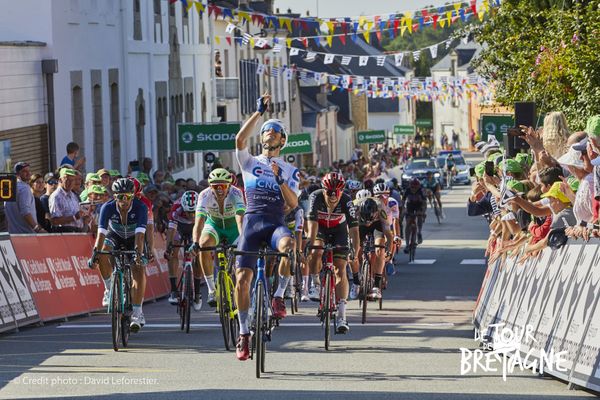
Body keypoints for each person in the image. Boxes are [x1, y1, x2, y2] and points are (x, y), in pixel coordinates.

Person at [232, 93, 300, 361]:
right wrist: (258, 113)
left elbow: (293, 203)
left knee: (288, 246)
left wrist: (281, 180)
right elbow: (239, 140)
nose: (268, 133)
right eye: (265, 130)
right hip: (251, 222)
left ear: (282, 140)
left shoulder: (290, 169)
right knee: (242, 279)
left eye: (274, 130)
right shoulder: (249, 162)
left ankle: (279, 296)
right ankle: (244, 332)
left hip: (274, 223)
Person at [89, 178, 148, 332]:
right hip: (115, 235)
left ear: (133, 196)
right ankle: (109, 289)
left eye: (128, 196)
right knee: (103, 252)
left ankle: (137, 312)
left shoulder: (141, 207)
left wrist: (138, 254)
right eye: (121, 196)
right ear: (115, 197)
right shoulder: (107, 208)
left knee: (138, 268)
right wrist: (95, 253)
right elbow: (100, 233)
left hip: (134, 238)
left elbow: (140, 236)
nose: (125, 200)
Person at [305, 172, 360, 333]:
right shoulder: (315, 197)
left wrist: (355, 252)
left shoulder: (347, 201)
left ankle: (342, 316)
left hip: (339, 231)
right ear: (323, 190)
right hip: (320, 228)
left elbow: (354, 230)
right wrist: (311, 243)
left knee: (340, 269)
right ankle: (315, 284)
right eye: (329, 192)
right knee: (316, 252)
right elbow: (312, 223)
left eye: (337, 191)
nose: (334, 195)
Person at [189, 168, 245, 309]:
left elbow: (240, 219)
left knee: (241, 260)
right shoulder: (204, 195)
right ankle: (212, 290)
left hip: (234, 229)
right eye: (215, 186)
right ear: (210, 186)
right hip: (214, 226)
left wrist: (244, 239)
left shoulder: (236, 192)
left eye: (223, 186)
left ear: (229, 185)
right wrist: (195, 242)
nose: (220, 190)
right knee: (203, 244)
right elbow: (199, 222)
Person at [165, 190, 203, 309]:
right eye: (188, 212)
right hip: (180, 228)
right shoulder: (176, 208)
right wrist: (169, 248)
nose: (191, 215)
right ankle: (173, 290)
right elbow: (171, 231)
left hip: (196, 228)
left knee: (199, 255)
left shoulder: (203, 207)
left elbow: (205, 229)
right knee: (173, 251)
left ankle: (197, 293)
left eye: (193, 212)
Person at [353, 194, 392, 300]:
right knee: (354, 249)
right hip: (359, 224)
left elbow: (388, 234)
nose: (368, 224)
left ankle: (377, 285)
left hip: (377, 224)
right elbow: (348, 230)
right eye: (366, 220)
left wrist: (388, 252)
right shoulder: (354, 208)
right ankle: (358, 276)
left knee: (380, 248)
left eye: (370, 220)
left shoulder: (381, 208)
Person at [5, 162, 44, 234]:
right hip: (27, 235)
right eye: (24, 171)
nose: (29, 173)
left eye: (29, 170)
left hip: (13, 235)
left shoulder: (9, 187)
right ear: (17, 174)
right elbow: (25, 212)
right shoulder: (24, 189)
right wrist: (38, 229)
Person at [49, 168, 87, 233]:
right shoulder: (56, 196)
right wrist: (74, 217)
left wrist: (84, 217)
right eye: (67, 180)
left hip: (78, 232)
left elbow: (78, 215)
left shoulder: (73, 195)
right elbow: (55, 221)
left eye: (72, 180)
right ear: (60, 180)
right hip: (65, 233)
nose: (71, 183)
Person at [403, 178, 427, 248]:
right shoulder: (407, 190)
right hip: (410, 206)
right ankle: (407, 244)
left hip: (419, 205)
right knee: (408, 224)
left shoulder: (421, 191)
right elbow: (403, 201)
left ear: (418, 187)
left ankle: (419, 232)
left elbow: (424, 203)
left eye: (416, 187)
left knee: (419, 216)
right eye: (412, 187)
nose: (414, 189)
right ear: (410, 186)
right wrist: (403, 210)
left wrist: (423, 212)